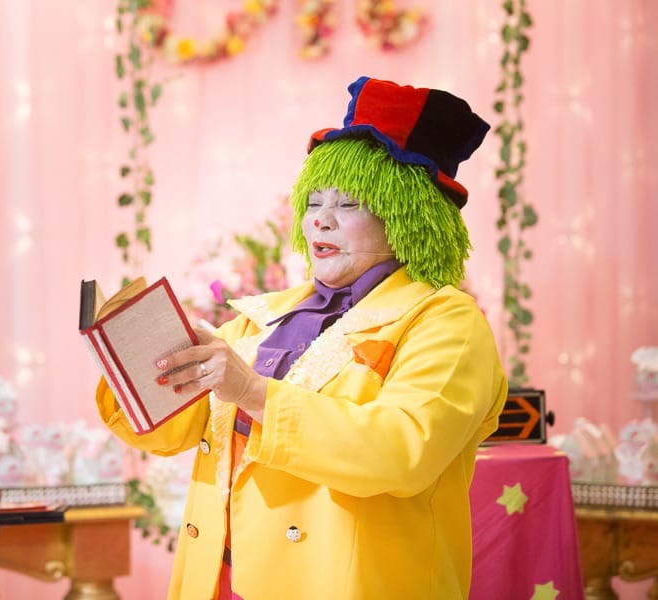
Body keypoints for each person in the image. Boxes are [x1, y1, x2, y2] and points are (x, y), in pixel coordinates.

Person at [95, 75, 508, 599]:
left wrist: (252, 390)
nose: (321, 223)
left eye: (349, 204)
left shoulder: (447, 322)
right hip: (220, 582)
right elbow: (173, 433)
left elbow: (402, 452)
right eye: (314, 203)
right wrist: (139, 364)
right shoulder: (264, 317)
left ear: (409, 216)